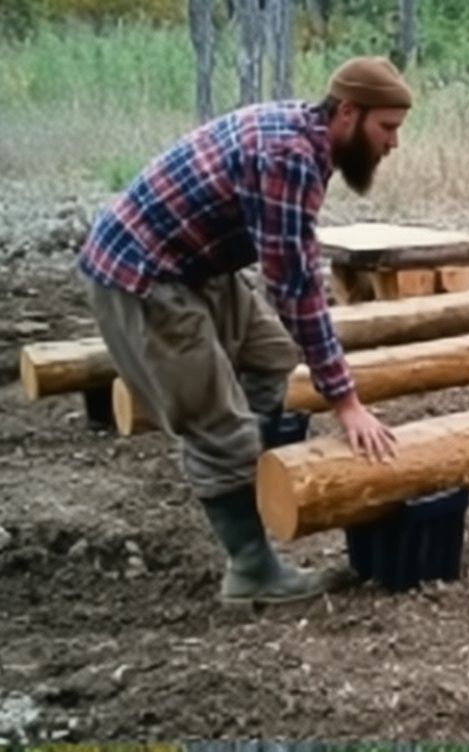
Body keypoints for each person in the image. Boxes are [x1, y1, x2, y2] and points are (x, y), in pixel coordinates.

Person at [76, 56, 410, 605]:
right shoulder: (288, 157)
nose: (393, 143)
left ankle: (241, 478)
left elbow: (289, 261)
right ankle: (250, 567)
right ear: (348, 112)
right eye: (387, 128)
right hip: (144, 276)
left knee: (271, 356)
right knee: (220, 427)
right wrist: (345, 401)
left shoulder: (308, 137)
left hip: (196, 265)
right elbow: (294, 287)